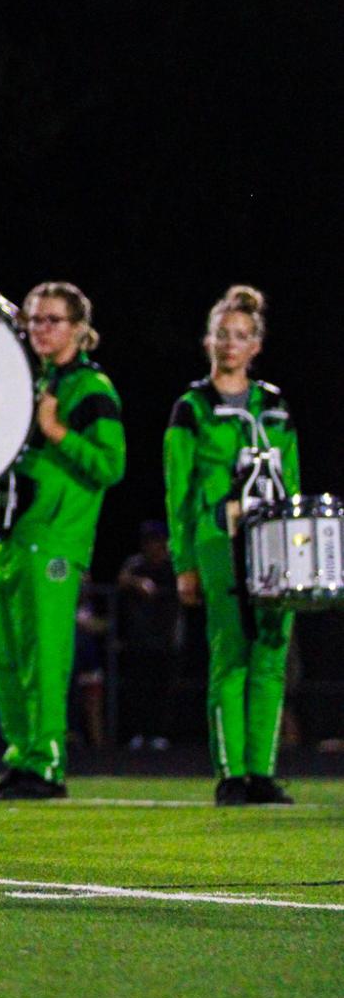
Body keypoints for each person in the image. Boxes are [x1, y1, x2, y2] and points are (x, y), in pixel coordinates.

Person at [0, 281, 126, 800]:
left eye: (52, 320)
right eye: (34, 319)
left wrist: (56, 431)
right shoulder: (26, 379)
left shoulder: (92, 389)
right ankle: (22, 758)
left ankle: (48, 764)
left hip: (54, 544)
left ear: (79, 328)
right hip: (7, 537)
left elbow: (111, 465)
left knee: (45, 654)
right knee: (6, 657)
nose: (40, 329)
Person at [164, 284, 300, 806]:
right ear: (209, 341)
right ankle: (232, 773)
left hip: (271, 546)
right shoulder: (193, 407)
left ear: (256, 345)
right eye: (223, 334)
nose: (230, 344)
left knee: (270, 655)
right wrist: (185, 562)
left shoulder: (274, 405)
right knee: (231, 656)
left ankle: (263, 772)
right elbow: (179, 491)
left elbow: (293, 477)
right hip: (219, 542)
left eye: (241, 336)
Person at [116, 521, 182, 750]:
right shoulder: (136, 565)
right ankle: (138, 733)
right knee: (138, 688)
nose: (152, 546)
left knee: (163, 689)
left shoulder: (172, 565)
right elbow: (121, 579)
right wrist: (137, 583)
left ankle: (159, 733)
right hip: (140, 638)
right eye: (148, 541)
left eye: (156, 541)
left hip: (167, 638)